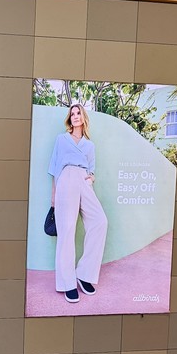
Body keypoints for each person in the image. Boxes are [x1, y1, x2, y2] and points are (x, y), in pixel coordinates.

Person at [47, 104, 108, 303]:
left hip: (83, 181)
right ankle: (67, 283)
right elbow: (55, 168)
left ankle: (84, 274)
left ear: (83, 117)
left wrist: (91, 179)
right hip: (65, 180)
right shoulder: (61, 139)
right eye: (72, 114)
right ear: (69, 118)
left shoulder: (89, 145)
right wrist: (54, 196)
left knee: (100, 221)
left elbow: (92, 169)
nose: (75, 116)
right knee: (67, 230)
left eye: (78, 113)